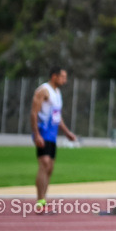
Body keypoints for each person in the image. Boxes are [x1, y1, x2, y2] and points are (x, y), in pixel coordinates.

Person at [30, 68, 77, 210]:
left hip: (52, 134)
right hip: (42, 132)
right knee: (44, 163)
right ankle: (40, 201)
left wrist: (67, 132)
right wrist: (36, 134)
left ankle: (44, 198)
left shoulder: (57, 93)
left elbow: (57, 117)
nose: (65, 80)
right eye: (62, 77)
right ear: (54, 76)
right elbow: (34, 113)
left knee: (50, 167)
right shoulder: (43, 91)